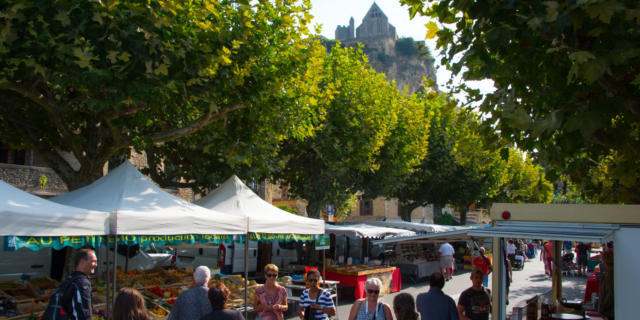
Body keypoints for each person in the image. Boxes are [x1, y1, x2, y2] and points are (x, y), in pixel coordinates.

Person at [51, 248, 97, 320]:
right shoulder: (81, 283)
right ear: (82, 262)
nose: (96, 265)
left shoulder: (70, 278)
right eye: (93, 261)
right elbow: (84, 311)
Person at [598, 250, 614, 319]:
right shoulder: (610, 271)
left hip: (610, 310)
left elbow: (610, 293)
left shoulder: (610, 272)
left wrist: (603, 308)